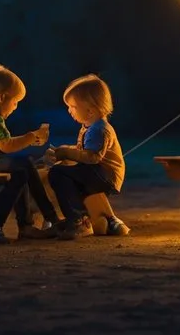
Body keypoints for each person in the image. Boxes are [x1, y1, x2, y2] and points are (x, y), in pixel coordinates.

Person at [0, 64, 59, 244]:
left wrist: (30, 138)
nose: (15, 107)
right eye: (15, 102)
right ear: (2, 97)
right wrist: (30, 137)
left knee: (22, 170)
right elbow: (6, 146)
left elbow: (5, 145)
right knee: (23, 165)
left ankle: (28, 225)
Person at [46, 74, 129, 240]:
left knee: (57, 174)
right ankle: (95, 218)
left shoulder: (99, 129)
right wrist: (64, 150)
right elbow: (82, 150)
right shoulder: (90, 127)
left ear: (90, 111)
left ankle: (78, 220)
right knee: (67, 173)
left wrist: (66, 153)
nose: (69, 110)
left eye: (73, 106)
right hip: (99, 171)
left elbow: (92, 157)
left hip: (105, 175)